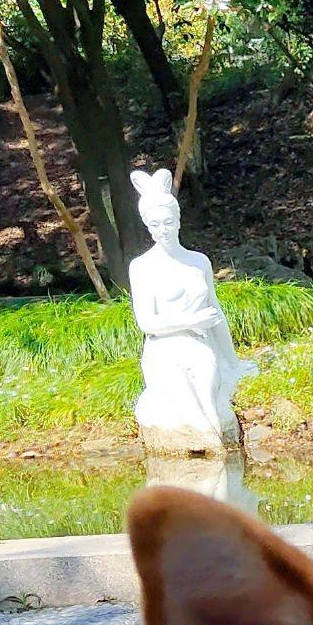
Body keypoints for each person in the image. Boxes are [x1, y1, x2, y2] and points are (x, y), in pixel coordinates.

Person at [127, 168, 244, 456]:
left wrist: (232, 361)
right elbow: (147, 323)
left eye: (167, 222)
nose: (162, 230)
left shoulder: (198, 262)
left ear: (177, 220)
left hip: (198, 346)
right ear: (147, 225)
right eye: (154, 224)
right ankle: (206, 449)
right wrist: (192, 320)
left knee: (206, 389)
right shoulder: (142, 267)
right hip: (163, 350)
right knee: (183, 395)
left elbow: (215, 315)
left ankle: (217, 469)